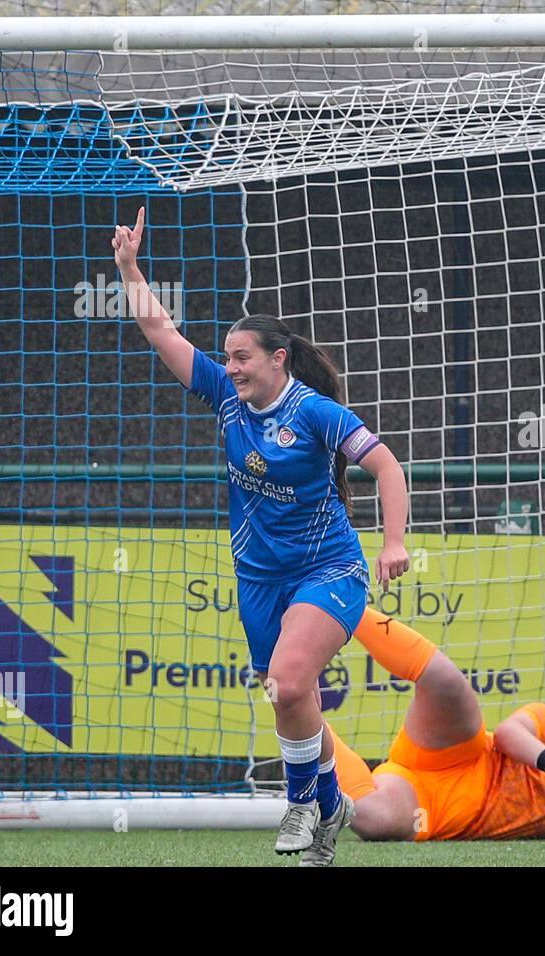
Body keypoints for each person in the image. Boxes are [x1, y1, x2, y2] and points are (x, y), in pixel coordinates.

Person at [113, 208, 416, 865]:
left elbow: (386, 464)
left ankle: (304, 805)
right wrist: (131, 269)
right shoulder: (225, 396)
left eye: (242, 357)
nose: (232, 367)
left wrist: (394, 543)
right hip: (258, 578)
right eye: (227, 358)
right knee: (287, 694)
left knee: (287, 674)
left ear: (278, 359)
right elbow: (157, 327)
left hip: (328, 569)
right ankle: (332, 799)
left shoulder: (314, 412)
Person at [321, 611, 545, 858]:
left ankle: (295, 700)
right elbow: (509, 733)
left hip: (433, 810)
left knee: (372, 819)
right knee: (445, 682)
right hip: (460, 752)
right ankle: (341, 603)